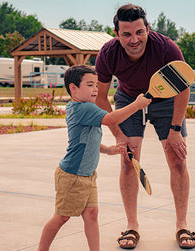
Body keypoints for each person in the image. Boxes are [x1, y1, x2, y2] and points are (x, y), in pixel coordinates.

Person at [94, 4, 195, 249]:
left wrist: (175, 131)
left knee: (178, 160)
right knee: (129, 162)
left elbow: (183, 88)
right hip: (129, 100)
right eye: (127, 34)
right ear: (116, 34)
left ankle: (182, 226)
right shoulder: (108, 53)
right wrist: (118, 135)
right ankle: (132, 226)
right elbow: (100, 98)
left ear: (147, 28)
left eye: (139, 32)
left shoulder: (166, 48)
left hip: (166, 101)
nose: (134, 40)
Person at [37, 65, 151, 251]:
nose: (96, 89)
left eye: (97, 85)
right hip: (72, 176)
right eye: (90, 85)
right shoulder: (84, 108)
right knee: (61, 217)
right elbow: (112, 119)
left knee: (91, 214)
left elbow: (85, 140)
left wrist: (107, 149)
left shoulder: (82, 108)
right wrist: (137, 105)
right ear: (73, 88)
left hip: (88, 175)